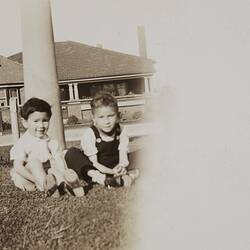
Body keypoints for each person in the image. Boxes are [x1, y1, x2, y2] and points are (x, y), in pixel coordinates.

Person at [10, 97, 84, 197]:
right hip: (27, 178)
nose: (41, 125)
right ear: (25, 122)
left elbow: (59, 160)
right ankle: (47, 187)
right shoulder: (22, 143)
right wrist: (34, 179)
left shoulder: (51, 142)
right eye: (36, 121)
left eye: (45, 120)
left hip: (47, 175)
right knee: (35, 162)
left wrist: (63, 172)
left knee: (53, 169)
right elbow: (18, 167)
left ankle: (66, 184)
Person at [65, 91, 139, 188]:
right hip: (97, 168)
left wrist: (122, 166)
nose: (107, 122)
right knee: (71, 153)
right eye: (101, 117)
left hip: (116, 164)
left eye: (110, 116)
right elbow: (94, 162)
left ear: (117, 116)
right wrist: (111, 172)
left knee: (145, 153)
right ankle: (101, 179)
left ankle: (128, 175)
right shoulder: (90, 133)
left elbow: (123, 153)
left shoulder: (121, 130)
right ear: (94, 119)